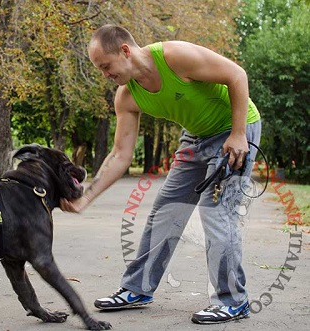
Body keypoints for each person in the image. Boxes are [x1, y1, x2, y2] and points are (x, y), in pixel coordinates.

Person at [60, 24, 261, 324]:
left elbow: (237, 75)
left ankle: (233, 300)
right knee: (165, 210)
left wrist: (238, 133)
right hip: (195, 138)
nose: (105, 75)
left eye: (106, 66)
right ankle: (137, 289)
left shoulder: (174, 56)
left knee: (216, 211)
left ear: (125, 51)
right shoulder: (126, 97)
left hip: (234, 131)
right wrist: (85, 197)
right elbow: (120, 155)